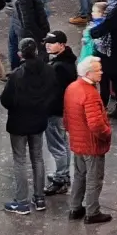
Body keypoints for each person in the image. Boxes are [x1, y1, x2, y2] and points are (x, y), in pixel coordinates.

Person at [0, 38, 58, 215]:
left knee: (20, 160)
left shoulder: (17, 75)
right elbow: (54, 93)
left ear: (20, 54)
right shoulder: (48, 70)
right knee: (38, 158)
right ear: (36, 51)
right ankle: (39, 198)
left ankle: (21, 202)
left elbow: (5, 100)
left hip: (18, 122)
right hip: (39, 120)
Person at [64, 56, 114, 224]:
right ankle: (92, 212)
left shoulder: (72, 88)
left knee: (79, 175)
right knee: (94, 179)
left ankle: (75, 208)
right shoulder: (90, 94)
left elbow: (66, 117)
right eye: (98, 70)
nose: (101, 72)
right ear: (88, 73)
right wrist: (107, 133)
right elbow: (96, 124)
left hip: (77, 141)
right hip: (92, 144)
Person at [43, 31, 78, 196]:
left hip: (54, 112)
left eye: (52, 42)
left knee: (57, 146)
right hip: (61, 111)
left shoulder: (59, 67)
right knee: (62, 144)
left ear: (62, 45)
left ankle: (61, 179)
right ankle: (63, 174)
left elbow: (54, 93)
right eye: (47, 42)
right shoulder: (66, 62)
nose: (47, 45)